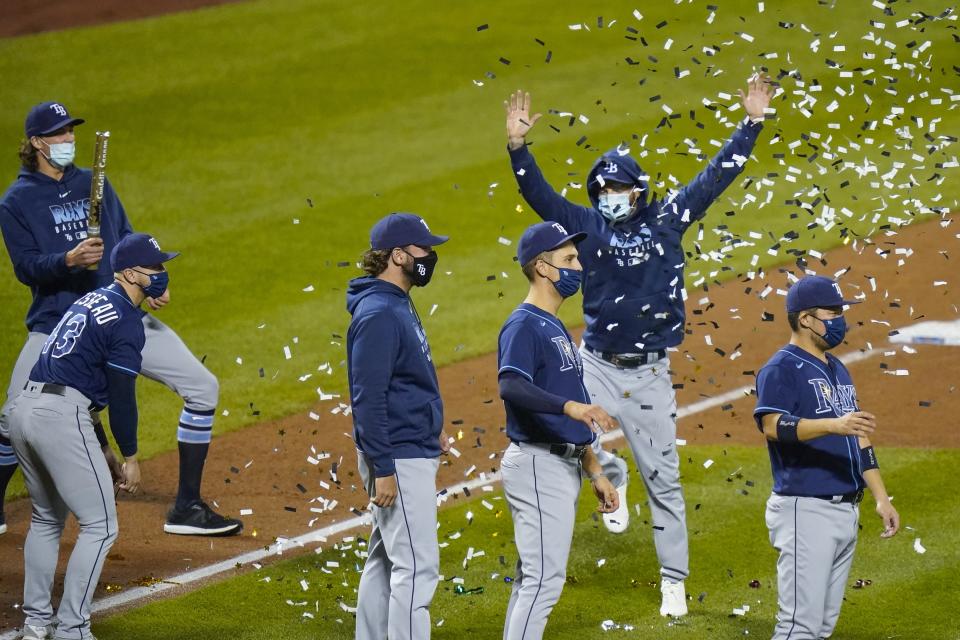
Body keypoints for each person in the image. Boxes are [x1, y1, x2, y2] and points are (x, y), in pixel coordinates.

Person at [503, 74, 774, 616]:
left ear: (638, 189)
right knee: (570, 440)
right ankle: (608, 473)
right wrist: (518, 149)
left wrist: (752, 122)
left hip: (649, 374)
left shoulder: (668, 219)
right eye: (600, 191)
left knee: (665, 481)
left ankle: (673, 579)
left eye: (617, 189)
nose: (608, 198)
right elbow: (540, 197)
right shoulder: (584, 226)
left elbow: (713, 179)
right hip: (596, 364)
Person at [0, 101, 239, 536]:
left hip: (121, 314)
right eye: (58, 134)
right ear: (36, 142)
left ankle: (187, 507)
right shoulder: (17, 202)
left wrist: (155, 279)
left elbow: (130, 240)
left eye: (71, 132)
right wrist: (68, 259)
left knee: (203, 387)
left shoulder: (94, 184)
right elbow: (26, 268)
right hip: (60, 325)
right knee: (14, 413)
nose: (69, 140)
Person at [7, 233, 176, 640]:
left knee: (46, 519)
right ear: (132, 274)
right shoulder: (126, 323)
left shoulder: (93, 301)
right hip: (59, 417)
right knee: (100, 526)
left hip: (23, 409)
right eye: (155, 268)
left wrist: (104, 449)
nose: (162, 274)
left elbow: (77, 378)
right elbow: (120, 397)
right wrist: (131, 456)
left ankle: (35, 624)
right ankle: (73, 630)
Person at [754, 275, 900, 639]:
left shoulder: (837, 367)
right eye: (832, 312)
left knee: (820, 629)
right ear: (805, 318)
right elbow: (772, 426)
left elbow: (859, 436)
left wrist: (881, 497)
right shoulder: (781, 368)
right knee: (797, 629)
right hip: (807, 509)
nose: (840, 320)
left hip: (845, 510)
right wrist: (833, 425)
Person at [498, 221, 620, 640]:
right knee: (543, 580)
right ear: (543, 268)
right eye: (568, 259)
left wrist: (595, 470)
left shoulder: (553, 325)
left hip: (560, 464)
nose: (578, 266)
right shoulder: (524, 325)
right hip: (538, 463)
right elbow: (511, 384)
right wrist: (571, 406)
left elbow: (574, 412)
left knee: (532, 578)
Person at [347, 212, 451, 640]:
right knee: (417, 568)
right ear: (397, 255)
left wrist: (432, 426)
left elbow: (406, 380)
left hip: (409, 444)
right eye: (423, 249)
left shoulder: (396, 301)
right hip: (398, 456)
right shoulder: (379, 314)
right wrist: (385, 468)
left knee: (385, 558)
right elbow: (368, 398)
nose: (431, 256)